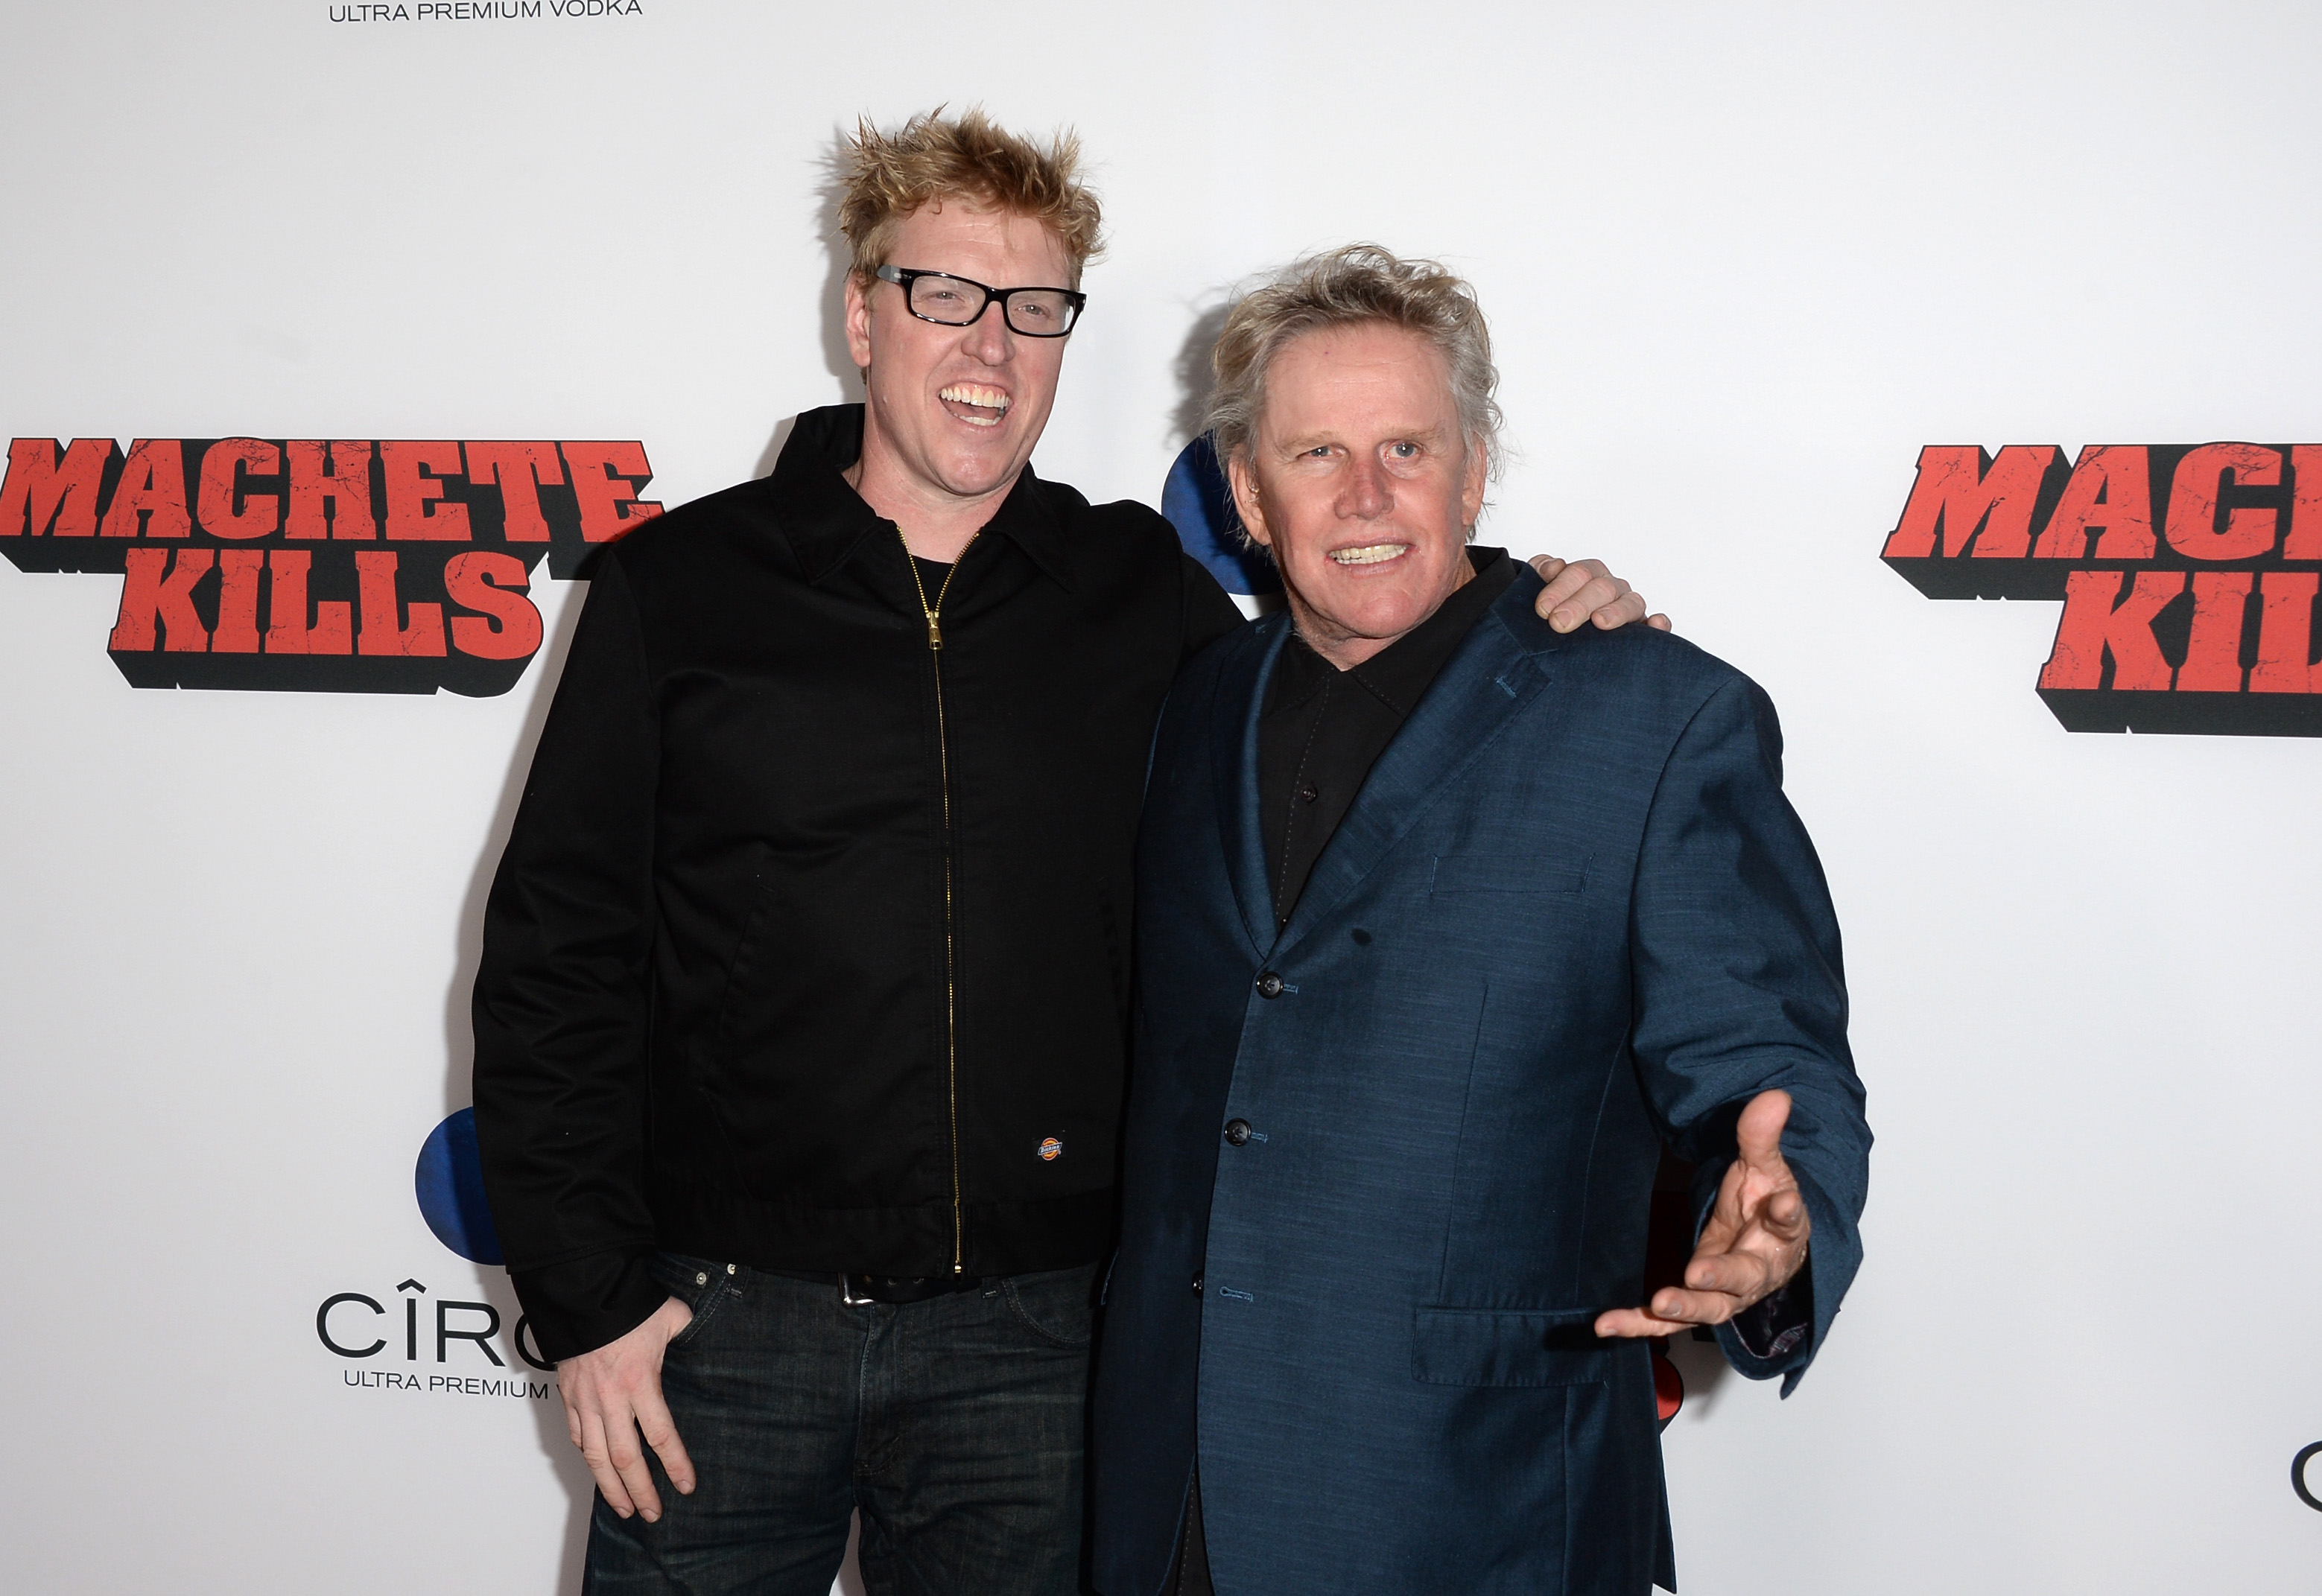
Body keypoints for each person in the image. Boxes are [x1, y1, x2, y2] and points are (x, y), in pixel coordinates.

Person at [470, 115, 1655, 1595]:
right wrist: (587, 1303)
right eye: (942, 295)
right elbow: (552, 968)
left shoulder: (1130, 592)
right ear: (859, 313)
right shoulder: (680, 589)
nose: (991, 347)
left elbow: (1353, 674)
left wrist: (1529, 615)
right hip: (720, 1332)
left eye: (1034, 308)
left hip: (1036, 1349)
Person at [1088, 245, 1871, 1596]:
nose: (1367, 494)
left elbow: (1762, 1045)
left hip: (1477, 1498)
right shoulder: (1193, 704)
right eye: (1315, 452)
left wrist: (1786, 1205)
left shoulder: (1655, 715)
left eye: (1407, 443)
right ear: (1246, 496)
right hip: (1175, 1496)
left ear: (1476, 462)